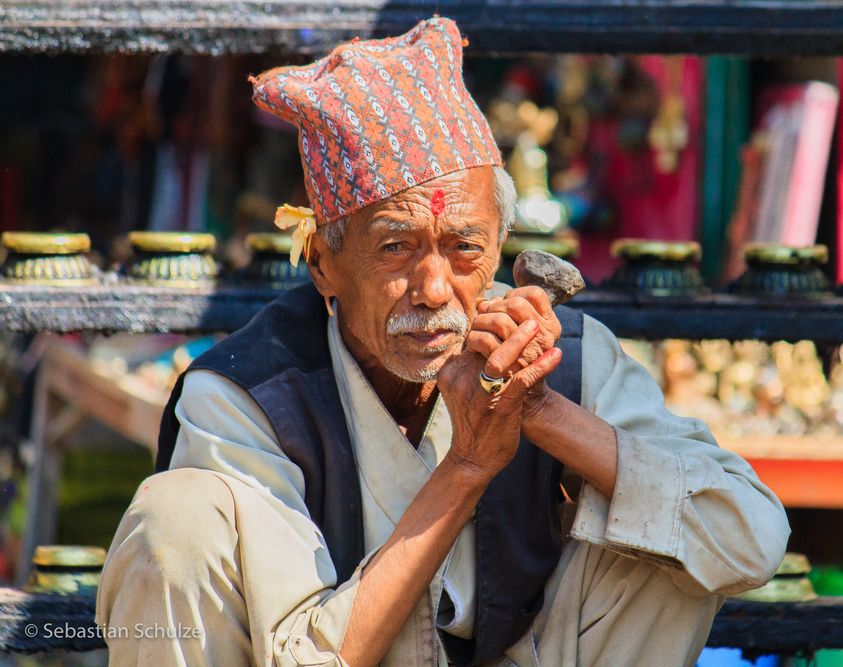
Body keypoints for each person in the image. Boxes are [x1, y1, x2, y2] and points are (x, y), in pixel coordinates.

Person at [96, 17, 790, 667]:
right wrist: (465, 466)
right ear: (323, 265)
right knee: (175, 519)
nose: (434, 288)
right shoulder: (247, 395)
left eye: (465, 248)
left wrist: (542, 412)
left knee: (672, 538)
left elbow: (750, 540)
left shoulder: (569, 359)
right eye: (395, 247)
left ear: (498, 254)